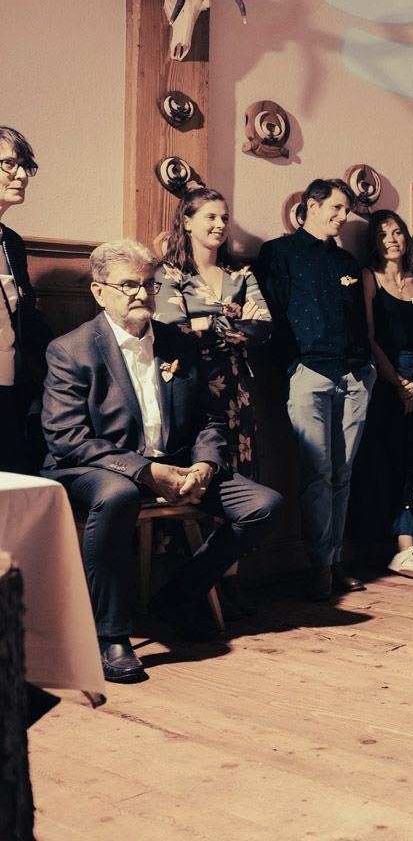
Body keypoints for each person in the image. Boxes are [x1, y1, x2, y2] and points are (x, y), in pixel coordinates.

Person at [42, 240, 284, 683]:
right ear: (99, 292)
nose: (141, 294)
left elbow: (209, 420)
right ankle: (112, 635)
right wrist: (144, 472)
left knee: (263, 505)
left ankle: (177, 598)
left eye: (148, 285)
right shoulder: (70, 349)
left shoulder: (179, 343)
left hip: (176, 465)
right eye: (128, 285)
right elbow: (66, 438)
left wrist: (205, 464)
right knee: (117, 495)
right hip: (97, 471)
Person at [254, 179, 375, 602]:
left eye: (348, 210)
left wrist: (368, 367)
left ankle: (334, 560)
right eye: (338, 209)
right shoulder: (278, 252)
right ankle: (319, 566)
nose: (345, 217)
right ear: (311, 205)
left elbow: (359, 321)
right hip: (309, 374)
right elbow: (270, 315)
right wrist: (294, 365)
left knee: (342, 475)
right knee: (317, 474)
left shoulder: (346, 260)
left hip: (356, 375)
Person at [154, 187, 273, 617]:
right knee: (199, 482)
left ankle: (230, 582)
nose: (220, 225)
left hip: (237, 391)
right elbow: (172, 329)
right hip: (188, 390)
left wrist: (207, 320)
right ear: (186, 221)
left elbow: (265, 330)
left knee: (239, 481)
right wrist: (233, 318)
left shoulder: (241, 274)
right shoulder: (168, 275)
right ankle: (195, 587)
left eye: (225, 217)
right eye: (210, 217)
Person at [350, 210, 413, 580]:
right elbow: (369, 338)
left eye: (398, 232)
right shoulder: (369, 279)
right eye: (384, 234)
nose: (393, 239)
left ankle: (409, 544)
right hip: (382, 379)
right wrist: (397, 382)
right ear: (375, 242)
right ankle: (387, 548)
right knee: (383, 459)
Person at [0, 127, 53, 474]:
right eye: (9, 164)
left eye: (26, 166)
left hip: (8, 391)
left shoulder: (12, 243)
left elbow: (27, 319)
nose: (21, 175)